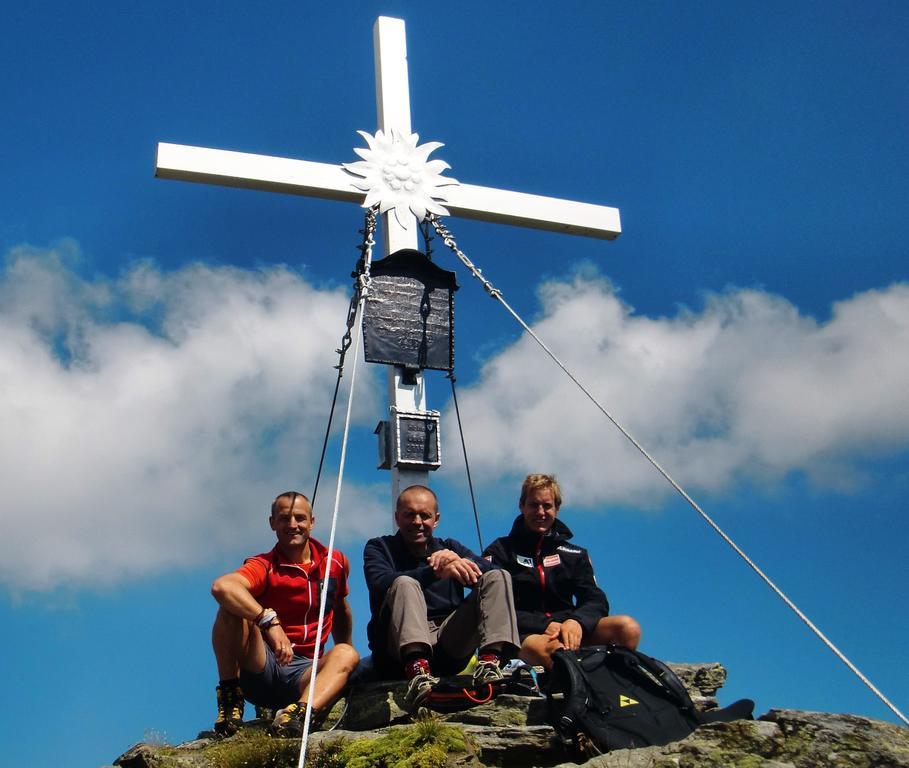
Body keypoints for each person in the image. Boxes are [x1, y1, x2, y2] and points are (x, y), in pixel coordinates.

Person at [210, 491, 359, 737]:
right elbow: (222, 586)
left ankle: (297, 715)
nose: (293, 525)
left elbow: (341, 609)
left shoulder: (336, 562)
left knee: (347, 653)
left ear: (312, 522)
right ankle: (230, 697)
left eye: (300, 518)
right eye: (284, 518)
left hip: (306, 674)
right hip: (262, 666)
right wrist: (268, 620)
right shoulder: (264, 565)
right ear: (272, 523)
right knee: (230, 608)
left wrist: (344, 662)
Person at [363, 485, 521, 710]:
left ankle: (490, 664)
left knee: (499, 576)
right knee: (404, 583)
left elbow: (490, 575)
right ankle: (419, 674)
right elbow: (379, 583)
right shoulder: (379, 547)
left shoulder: (449, 547)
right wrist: (434, 572)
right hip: (398, 650)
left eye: (424, 516)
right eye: (409, 514)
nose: (417, 521)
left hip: (448, 645)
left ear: (435, 520)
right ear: (397, 517)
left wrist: (459, 562)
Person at [483, 474, 641, 669]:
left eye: (547, 506)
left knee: (628, 628)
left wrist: (577, 622)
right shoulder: (500, 550)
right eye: (534, 505)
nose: (540, 512)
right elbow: (491, 606)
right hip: (523, 634)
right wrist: (542, 625)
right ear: (522, 506)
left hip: (569, 629)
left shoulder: (574, 554)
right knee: (558, 651)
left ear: (557, 508)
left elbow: (595, 599)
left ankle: (615, 687)